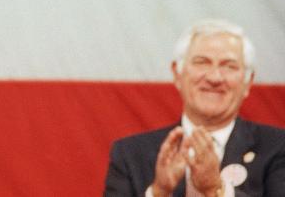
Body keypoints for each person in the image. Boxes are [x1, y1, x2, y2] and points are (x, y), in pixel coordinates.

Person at [104, 19, 285, 197]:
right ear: (177, 73)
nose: (214, 77)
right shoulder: (130, 154)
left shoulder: (278, 147)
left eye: (229, 66)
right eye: (202, 62)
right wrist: (159, 193)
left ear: (248, 82)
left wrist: (217, 190)